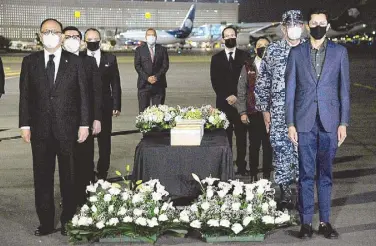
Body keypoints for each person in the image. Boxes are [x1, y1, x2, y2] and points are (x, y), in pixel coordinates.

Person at [19, 18, 89, 236]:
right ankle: (46, 222)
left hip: (67, 129)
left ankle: (68, 219)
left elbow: (83, 95)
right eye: (45, 31)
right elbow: (25, 96)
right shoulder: (30, 61)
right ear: (40, 36)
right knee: (42, 177)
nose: (50, 35)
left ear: (61, 36)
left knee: (69, 176)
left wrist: (84, 124)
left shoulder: (75, 62)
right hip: (40, 130)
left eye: (54, 31)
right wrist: (24, 124)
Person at [286, 8, 350, 239]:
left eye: (322, 22)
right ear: (307, 26)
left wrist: (343, 122)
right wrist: (290, 123)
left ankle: (324, 222)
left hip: (330, 122)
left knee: (325, 174)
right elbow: (290, 90)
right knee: (305, 174)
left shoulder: (339, 52)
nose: (318, 26)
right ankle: (305, 224)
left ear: (327, 25)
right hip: (304, 122)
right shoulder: (296, 53)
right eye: (314, 22)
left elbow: (344, 91)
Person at [255, 10, 304, 207]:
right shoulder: (273, 51)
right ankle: (284, 191)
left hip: (304, 112)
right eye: (289, 25)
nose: (293, 29)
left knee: (303, 152)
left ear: (302, 27)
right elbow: (263, 82)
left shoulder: (310, 49)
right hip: (278, 111)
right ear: (283, 28)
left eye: (296, 25)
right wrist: (265, 110)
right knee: (281, 150)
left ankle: (303, 192)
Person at [62, 26, 102, 207]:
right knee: (66, 163)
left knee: (85, 161)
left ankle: (85, 196)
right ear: (62, 39)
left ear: (81, 40)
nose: (72, 39)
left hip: (85, 120)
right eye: (68, 36)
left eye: (75, 36)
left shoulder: (89, 62)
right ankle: (68, 197)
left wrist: (96, 118)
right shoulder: (57, 61)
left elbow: (96, 92)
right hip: (62, 121)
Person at [210, 25, 250, 176]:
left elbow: (249, 81)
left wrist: (237, 96)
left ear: (236, 36)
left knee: (241, 138)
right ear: (222, 39)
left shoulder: (245, 56)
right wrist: (227, 95)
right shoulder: (216, 58)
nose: (230, 37)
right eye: (227, 36)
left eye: (232, 35)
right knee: (224, 138)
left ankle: (241, 166)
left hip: (240, 104)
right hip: (224, 103)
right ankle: (226, 167)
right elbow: (215, 81)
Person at [84, 28, 121, 180]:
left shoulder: (110, 58)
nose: (93, 42)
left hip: (105, 106)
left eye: (95, 39)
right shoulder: (79, 59)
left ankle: (102, 171)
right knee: (86, 143)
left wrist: (116, 105)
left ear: (100, 40)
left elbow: (116, 83)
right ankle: (87, 171)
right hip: (85, 106)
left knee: (104, 142)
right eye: (89, 40)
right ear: (84, 41)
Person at [236, 37, 273, 181]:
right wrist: (242, 112)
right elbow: (241, 90)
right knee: (254, 146)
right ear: (254, 48)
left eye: (265, 45)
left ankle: (266, 177)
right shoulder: (248, 66)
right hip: (253, 112)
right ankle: (253, 176)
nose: (262, 47)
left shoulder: (275, 65)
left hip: (271, 113)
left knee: (268, 146)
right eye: (259, 45)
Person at [134, 28, 169, 113]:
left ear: (156, 37)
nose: (151, 37)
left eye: (153, 35)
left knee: (159, 113)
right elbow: (137, 66)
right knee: (143, 113)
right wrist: (147, 78)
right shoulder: (139, 50)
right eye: (149, 35)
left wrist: (156, 77)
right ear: (145, 37)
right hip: (144, 85)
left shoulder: (162, 50)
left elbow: (165, 66)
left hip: (159, 85)